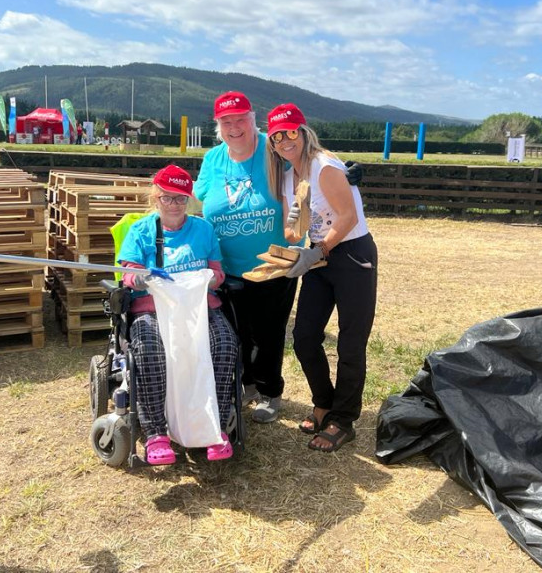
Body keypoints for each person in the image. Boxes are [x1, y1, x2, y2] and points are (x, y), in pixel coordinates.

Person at [264, 103, 378, 453]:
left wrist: (320, 249)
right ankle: (324, 402)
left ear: (304, 131)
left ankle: (343, 420)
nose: (285, 140)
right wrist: (293, 238)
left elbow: (347, 216)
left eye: (291, 132)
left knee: (350, 340)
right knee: (304, 336)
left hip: (352, 253)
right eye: (277, 135)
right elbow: (293, 229)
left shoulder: (324, 166)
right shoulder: (287, 176)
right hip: (319, 254)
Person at [117, 164, 238, 465]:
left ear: (188, 200)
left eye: (180, 199)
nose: (174, 205)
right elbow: (126, 272)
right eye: (167, 198)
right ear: (155, 198)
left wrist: (210, 279)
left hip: (199, 307)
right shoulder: (141, 231)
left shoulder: (204, 230)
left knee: (224, 343)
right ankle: (156, 433)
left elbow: (218, 272)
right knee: (149, 349)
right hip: (152, 309)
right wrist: (140, 278)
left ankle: (215, 427)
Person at [193, 92, 295, 423]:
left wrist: (342, 173)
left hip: (274, 262)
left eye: (241, 119)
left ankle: (270, 392)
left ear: (254, 119)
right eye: (226, 122)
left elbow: (311, 163)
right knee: (235, 332)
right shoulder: (212, 159)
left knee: (269, 332)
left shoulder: (274, 148)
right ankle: (246, 383)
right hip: (226, 265)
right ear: (218, 126)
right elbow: (195, 202)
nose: (234, 127)